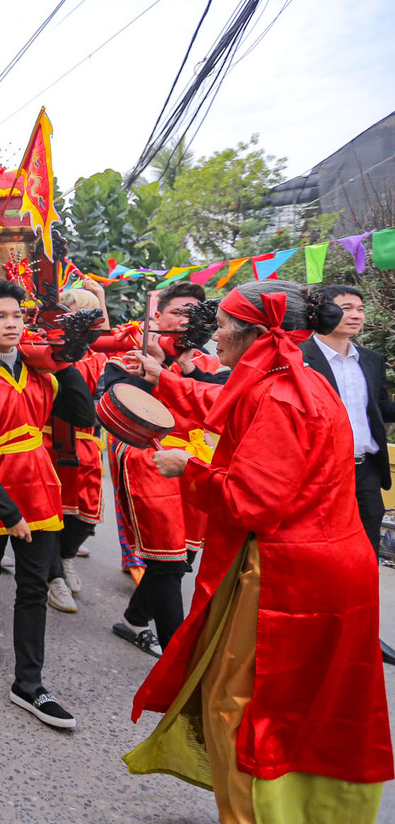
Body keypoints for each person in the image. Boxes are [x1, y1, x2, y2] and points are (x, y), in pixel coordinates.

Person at [125, 279, 392, 822]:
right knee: (311, 710)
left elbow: (252, 503)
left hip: (291, 578)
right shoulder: (294, 381)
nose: (214, 336)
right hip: (328, 567)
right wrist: (164, 378)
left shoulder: (280, 396)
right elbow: (223, 402)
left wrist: (187, 469)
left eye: (223, 325)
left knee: (242, 707)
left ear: (258, 334)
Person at [0, 279, 94, 730]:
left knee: (33, 587)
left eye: (17, 316)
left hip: (41, 487)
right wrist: (9, 514)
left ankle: (29, 684)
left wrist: (65, 361)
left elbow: (84, 416)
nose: (12, 324)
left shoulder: (42, 375)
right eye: (0, 316)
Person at [98, 281, 226, 656]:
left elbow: (222, 406)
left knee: (183, 556)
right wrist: (151, 368)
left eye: (194, 315)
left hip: (195, 461)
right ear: (157, 316)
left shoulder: (211, 362)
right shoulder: (129, 356)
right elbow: (115, 405)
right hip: (149, 458)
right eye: (178, 312)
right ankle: (178, 657)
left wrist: (184, 366)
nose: (186, 321)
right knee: (168, 560)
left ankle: (134, 619)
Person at [302, 284, 395, 665]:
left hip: (366, 473)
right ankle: (314, 632)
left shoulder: (370, 359)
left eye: (360, 308)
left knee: (365, 559)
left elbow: (379, 408)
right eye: (346, 307)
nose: (356, 315)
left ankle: (363, 635)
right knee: (318, 556)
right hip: (320, 473)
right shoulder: (299, 357)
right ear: (322, 312)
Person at [44, 281, 110, 613]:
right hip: (48, 441)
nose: (83, 321)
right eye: (76, 313)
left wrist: (101, 297)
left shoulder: (100, 357)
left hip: (85, 442)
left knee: (85, 518)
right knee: (49, 515)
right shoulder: (45, 351)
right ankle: (54, 576)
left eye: (89, 315)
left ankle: (66, 557)